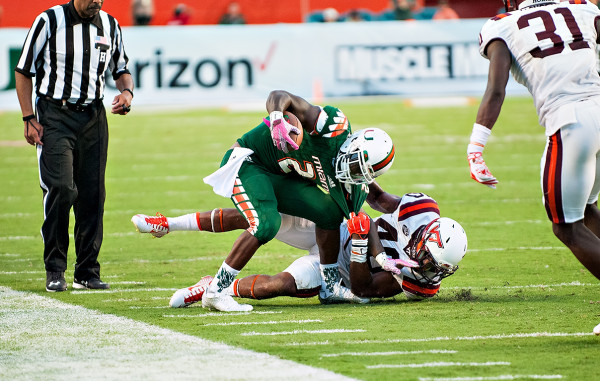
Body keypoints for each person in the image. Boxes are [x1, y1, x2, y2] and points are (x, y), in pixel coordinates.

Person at [140, 90, 394, 312]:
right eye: (354, 165)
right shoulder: (328, 127)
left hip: (278, 176)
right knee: (265, 222)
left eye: (362, 173)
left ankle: (329, 286)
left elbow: (367, 210)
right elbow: (279, 95)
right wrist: (276, 119)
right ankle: (215, 291)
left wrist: (382, 258)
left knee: (328, 212)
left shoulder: (352, 182)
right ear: (353, 144)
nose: (352, 174)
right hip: (249, 161)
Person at [131, 183, 468, 308]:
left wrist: (363, 247)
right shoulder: (420, 209)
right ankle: (169, 224)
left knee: (275, 287)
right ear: (427, 235)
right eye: (429, 257)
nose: (428, 267)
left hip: (342, 274)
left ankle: (212, 287)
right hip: (334, 229)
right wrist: (355, 174)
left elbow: (366, 288)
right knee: (263, 216)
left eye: (437, 267)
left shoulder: (421, 283)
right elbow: (377, 198)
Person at [470, 1, 600, 280]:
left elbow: (495, 90)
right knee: (586, 208)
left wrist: (476, 147)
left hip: (571, 122)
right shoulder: (583, 8)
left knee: (566, 226)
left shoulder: (502, 24)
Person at [15, 0, 134, 292]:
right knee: (62, 188)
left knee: (93, 195)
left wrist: (127, 92)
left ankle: (87, 271)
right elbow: (23, 70)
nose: (96, 1)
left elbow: (121, 69)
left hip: (93, 116)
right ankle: (55, 269)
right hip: (55, 115)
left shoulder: (110, 24)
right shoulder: (48, 20)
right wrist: (28, 117)